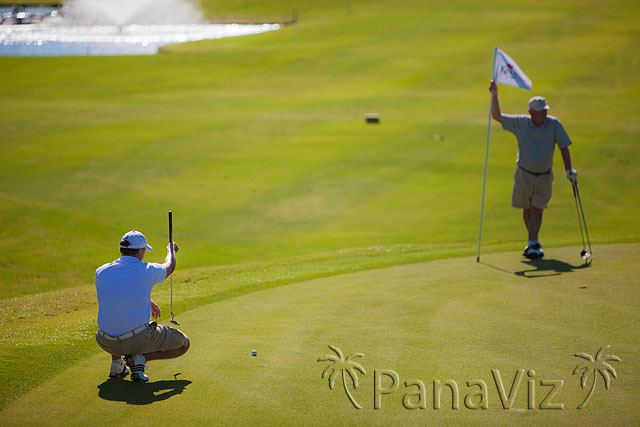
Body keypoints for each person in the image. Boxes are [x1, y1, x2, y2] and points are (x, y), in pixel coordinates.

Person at [489, 81, 577, 259]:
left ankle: (532, 243)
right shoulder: (521, 123)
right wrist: (495, 94)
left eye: (545, 110)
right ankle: (534, 242)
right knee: (527, 209)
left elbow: (564, 148)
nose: (544, 114)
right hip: (523, 174)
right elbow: (497, 116)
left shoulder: (553, 124)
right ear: (531, 112)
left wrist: (569, 170)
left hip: (544, 176)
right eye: (540, 111)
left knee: (537, 209)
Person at [95, 230, 189, 382]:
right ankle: (140, 359)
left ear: (121, 250)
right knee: (184, 343)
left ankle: (117, 364)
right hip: (136, 340)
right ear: (140, 251)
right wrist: (171, 250)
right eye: (144, 250)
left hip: (105, 341)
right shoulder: (146, 270)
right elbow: (170, 265)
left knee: (116, 318)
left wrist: (147, 301)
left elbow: (117, 293)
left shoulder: (101, 271)